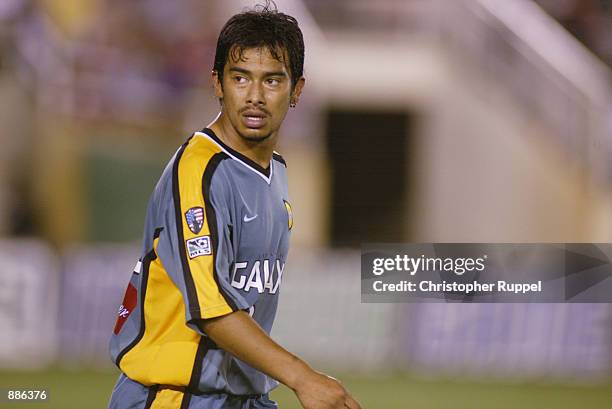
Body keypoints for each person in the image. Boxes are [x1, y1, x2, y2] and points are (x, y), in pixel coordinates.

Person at [107, 2, 362, 409]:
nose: (255, 96)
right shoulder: (199, 171)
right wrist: (303, 377)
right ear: (218, 84)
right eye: (240, 78)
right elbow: (211, 309)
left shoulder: (274, 172)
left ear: (297, 90)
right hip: (175, 397)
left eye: (273, 81)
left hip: (240, 397)